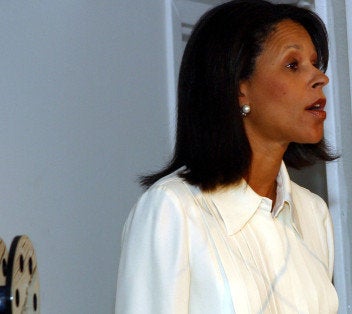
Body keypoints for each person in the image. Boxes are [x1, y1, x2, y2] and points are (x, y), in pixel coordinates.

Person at [115, 0, 338, 313]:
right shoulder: (173, 208)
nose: (319, 78)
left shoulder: (314, 215)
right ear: (239, 89)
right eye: (293, 65)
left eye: (315, 64)